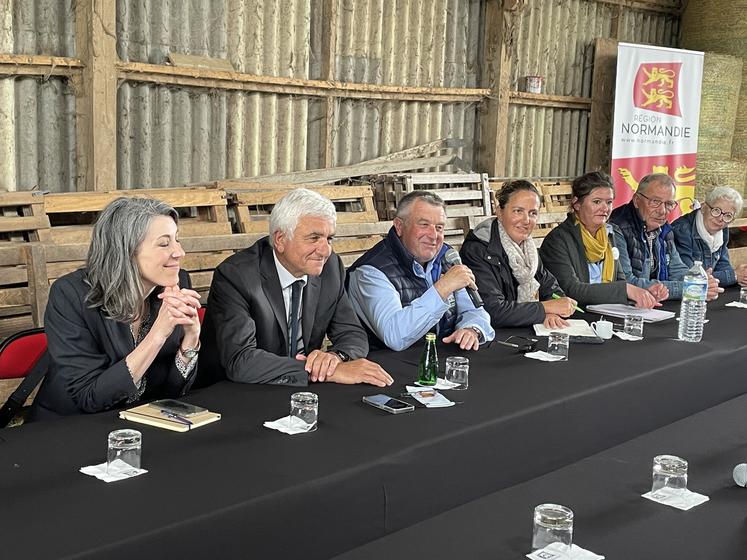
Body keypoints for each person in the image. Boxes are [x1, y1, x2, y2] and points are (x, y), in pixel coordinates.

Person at [199, 188, 392, 387]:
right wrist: (322, 372)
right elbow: (240, 360)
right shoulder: (236, 276)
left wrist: (336, 358)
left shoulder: (330, 267)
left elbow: (352, 333)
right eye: (314, 238)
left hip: (299, 392)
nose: (325, 250)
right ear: (280, 240)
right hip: (233, 392)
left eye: (329, 238)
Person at [31, 198, 201, 420]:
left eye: (177, 240)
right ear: (126, 250)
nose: (179, 252)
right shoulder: (70, 295)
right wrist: (158, 334)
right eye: (164, 243)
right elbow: (90, 398)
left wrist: (191, 338)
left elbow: (173, 396)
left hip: (144, 424)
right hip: (70, 429)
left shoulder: (177, 282)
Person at [346, 190, 494, 352]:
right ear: (399, 227)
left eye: (439, 227)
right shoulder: (371, 271)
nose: (433, 235)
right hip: (386, 368)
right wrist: (442, 289)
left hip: (436, 357)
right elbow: (394, 336)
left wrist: (472, 329)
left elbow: (474, 310)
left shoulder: (447, 256)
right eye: (424, 225)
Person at [460, 179, 577, 329]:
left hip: (523, 329)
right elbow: (493, 311)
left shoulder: (528, 249)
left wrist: (553, 311)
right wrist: (545, 309)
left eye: (533, 213)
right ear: (500, 212)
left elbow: (552, 290)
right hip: (491, 336)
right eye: (518, 211)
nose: (526, 220)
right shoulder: (478, 250)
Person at [539, 171, 663, 308]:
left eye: (609, 202)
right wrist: (626, 290)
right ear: (577, 204)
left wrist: (643, 294)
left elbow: (620, 280)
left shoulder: (610, 233)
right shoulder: (558, 240)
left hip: (606, 313)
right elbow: (571, 290)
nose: (605, 208)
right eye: (597, 201)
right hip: (576, 318)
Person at [609, 173, 722, 300]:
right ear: (636, 200)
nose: (662, 211)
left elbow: (677, 269)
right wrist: (690, 289)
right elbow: (627, 282)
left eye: (669, 204)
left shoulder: (664, 228)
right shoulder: (618, 227)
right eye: (655, 202)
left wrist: (698, 281)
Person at [672, 186, 747, 287]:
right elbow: (689, 276)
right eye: (716, 210)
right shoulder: (682, 230)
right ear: (703, 208)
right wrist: (733, 275)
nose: (720, 218)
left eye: (728, 216)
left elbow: (723, 265)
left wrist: (741, 276)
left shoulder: (722, 230)